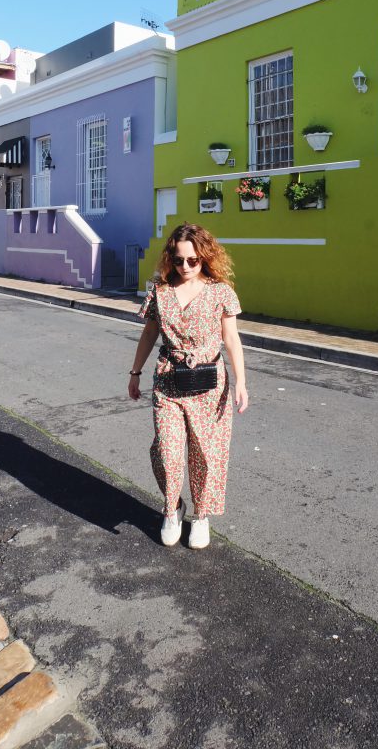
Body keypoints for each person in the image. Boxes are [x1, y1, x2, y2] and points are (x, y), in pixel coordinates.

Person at [128, 222, 248, 549]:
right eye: (179, 260)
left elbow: (232, 339)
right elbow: (150, 333)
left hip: (210, 383)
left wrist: (241, 382)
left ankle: (201, 515)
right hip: (168, 379)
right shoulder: (160, 291)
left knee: (206, 454)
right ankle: (172, 508)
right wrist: (135, 372)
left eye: (192, 260)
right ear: (171, 257)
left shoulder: (220, 291)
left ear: (204, 256)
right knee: (168, 452)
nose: (185, 267)